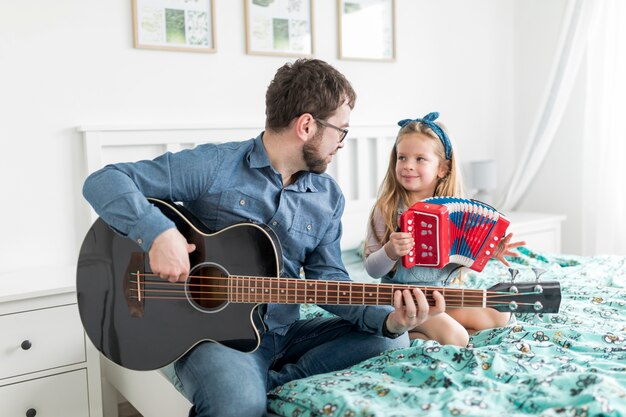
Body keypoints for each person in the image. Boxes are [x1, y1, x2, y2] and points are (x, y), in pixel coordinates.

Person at [82, 59, 445, 417]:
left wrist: (391, 319)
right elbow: (104, 180)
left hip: (287, 332)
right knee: (238, 403)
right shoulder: (215, 166)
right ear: (306, 125)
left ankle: (277, 383)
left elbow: (329, 280)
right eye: (341, 130)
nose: (341, 143)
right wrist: (158, 234)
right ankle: (247, 385)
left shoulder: (327, 196)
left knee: (391, 336)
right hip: (215, 336)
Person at [364, 112, 524, 346]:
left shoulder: (455, 211)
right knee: (456, 337)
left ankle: (435, 330)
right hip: (404, 302)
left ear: (443, 168)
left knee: (499, 314)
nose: (408, 166)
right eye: (402, 158)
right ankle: (409, 335)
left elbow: (457, 266)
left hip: (441, 296)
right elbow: (371, 270)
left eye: (420, 159)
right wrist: (390, 251)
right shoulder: (386, 209)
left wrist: (486, 253)